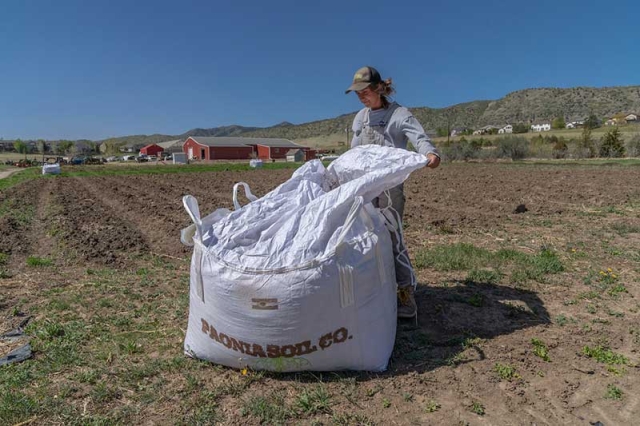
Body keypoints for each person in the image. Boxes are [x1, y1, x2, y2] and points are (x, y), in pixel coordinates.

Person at [345, 65, 440, 319]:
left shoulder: (399, 115)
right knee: (362, 238)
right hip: (364, 189)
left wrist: (430, 154)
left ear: (378, 88)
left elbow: (419, 138)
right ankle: (374, 290)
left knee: (392, 238)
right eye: (357, 93)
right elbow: (354, 153)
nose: (361, 97)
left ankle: (406, 294)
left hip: (389, 191)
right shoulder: (360, 119)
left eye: (365, 91)